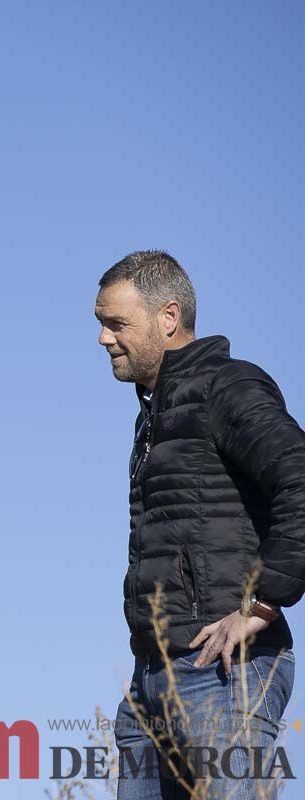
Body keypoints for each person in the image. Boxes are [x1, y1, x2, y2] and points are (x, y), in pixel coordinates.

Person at [95, 250, 304, 798]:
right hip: (152, 678)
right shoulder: (155, 414)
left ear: (168, 317)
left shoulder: (225, 388)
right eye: (100, 324)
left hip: (221, 674)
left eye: (116, 323)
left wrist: (262, 604)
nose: (103, 338)